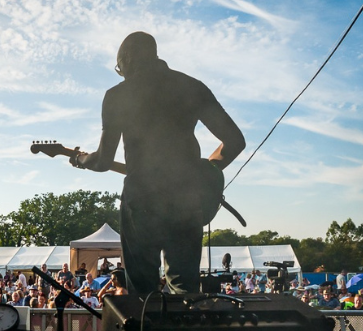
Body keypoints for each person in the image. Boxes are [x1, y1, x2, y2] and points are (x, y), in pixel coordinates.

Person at [72, 32, 245, 293]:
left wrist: (81, 158)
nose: (122, 74)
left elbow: (103, 159)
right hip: (186, 197)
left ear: (128, 59)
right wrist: (206, 170)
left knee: (143, 294)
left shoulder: (118, 95)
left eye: (121, 67)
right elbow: (235, 141)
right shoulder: (191, 86)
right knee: (185, 289)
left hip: (142, 199)